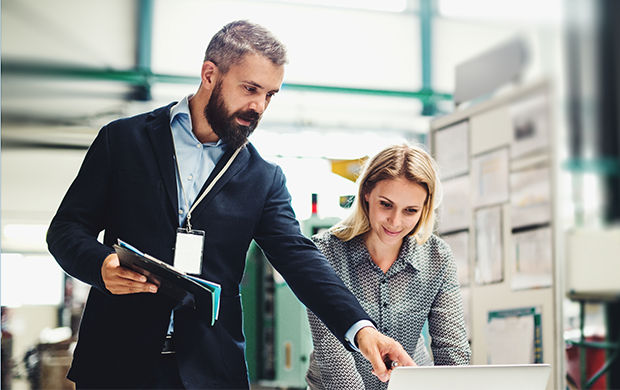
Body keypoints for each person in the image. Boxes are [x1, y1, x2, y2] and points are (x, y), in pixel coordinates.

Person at [46, 20, 414, 390]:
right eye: (250, 89)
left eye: (270, 95)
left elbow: (302, 261)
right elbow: (65, 230)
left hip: (210, 371)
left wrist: (363, 330)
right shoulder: (123, 140)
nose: (259, 106)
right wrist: (102, 265)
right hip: (115, 364)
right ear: (209, 74)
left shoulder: (262, 178)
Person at [305, 143, 471, 390]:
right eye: (386, 204)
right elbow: (336, 365)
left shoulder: (437, 257)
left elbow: (453, 352)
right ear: (366, 194)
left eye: (410, 210)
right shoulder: (325, 252)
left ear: (425, 208)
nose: (395, 221)